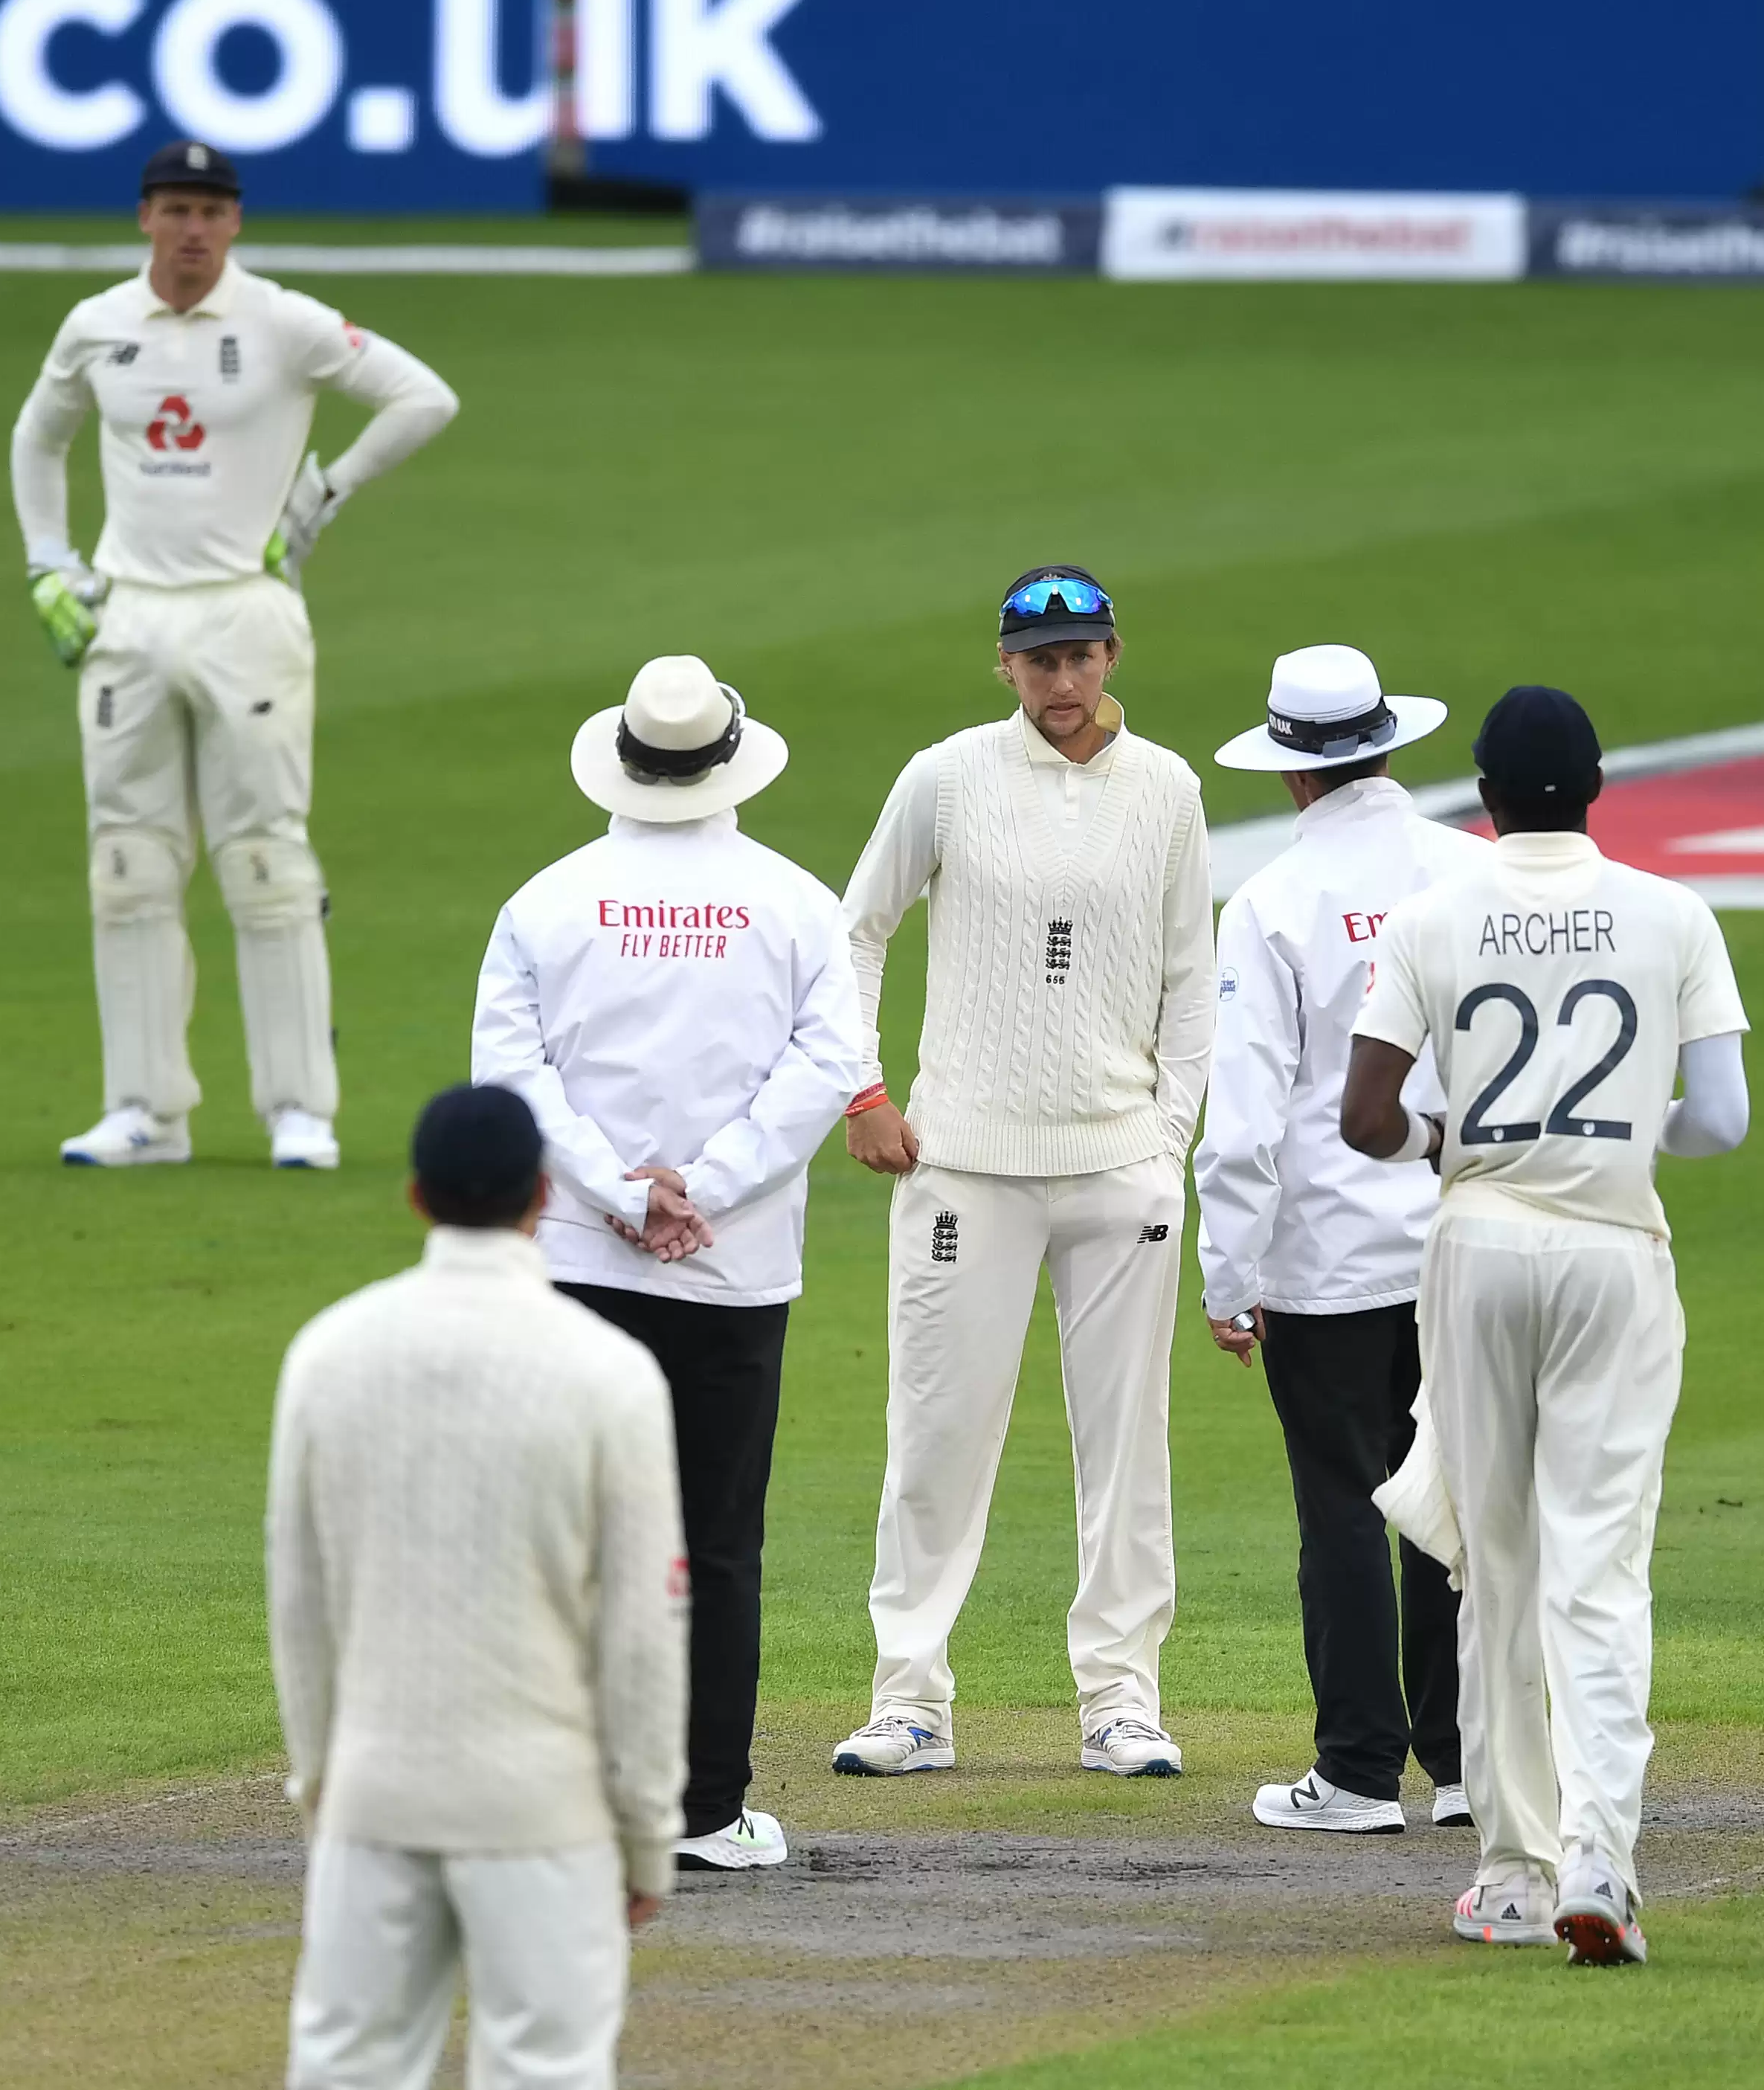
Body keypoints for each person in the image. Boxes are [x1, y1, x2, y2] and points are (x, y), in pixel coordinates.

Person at [1339, 685, 1751, 1968]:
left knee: (1494, 1567)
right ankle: (1601, 1861)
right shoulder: (1673, 913)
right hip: (1611, 1258)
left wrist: (1442, 1140)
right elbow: (1722, 1120)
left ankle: (1511, 1874)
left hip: (1477, 1247)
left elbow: (1364, 1116)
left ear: (1485, 791)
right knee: (1599, 1571)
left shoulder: (1431, 912)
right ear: (1598, 785)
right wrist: (1631, 1134)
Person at [472, 654, 869, 1874]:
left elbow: (511, 1079)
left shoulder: (546, 901)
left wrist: (616, 1189)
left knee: (573, 1530)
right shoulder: (796, 901)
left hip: (580, 1264)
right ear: (729, 760)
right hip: (732, 1269)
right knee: (718, 1538)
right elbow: (827, 1066)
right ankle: (703, 1806)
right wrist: (711, 1185)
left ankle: (567, 1795)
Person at [828, 567, 1215, 1782]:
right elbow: (857, 928)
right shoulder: (944, 776)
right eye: (1039, 660)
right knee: (937, 1428)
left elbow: (1193, 977)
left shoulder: (1168, 789)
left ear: (1113, 657)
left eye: (1082, 656)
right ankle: (910, 1696)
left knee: (1127, 1440)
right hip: (966, 1163)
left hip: (1119, 1169)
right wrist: (866, 1091)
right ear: (1003, 664)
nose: (1062, 682)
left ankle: (1121, 1697)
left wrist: (1167, 1143)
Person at [10, 139, 461, 1172]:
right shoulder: (97, 326)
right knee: (128, 863)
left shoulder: (284, 322)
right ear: (144, 219)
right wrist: (48, 564)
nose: (193, 230)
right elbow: (38, 439)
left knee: (265, 861)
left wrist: (319, 495)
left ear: (237, 223)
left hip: (246, 617)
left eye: (211, 211)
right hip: (125, 614)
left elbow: (423, 396)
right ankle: (145, 1110)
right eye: (174, 209)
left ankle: (299, 1110)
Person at [265, 1082, 687, 2090]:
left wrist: (325, 1783)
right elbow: (642, 1634)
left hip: (376, 1797)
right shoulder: (611, 1372)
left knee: (347, 2070)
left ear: (416, 1196)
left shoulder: (327, 1354)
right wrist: (648, 1837)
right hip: (542, 1813)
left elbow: (299, 1598)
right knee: (548, 2071)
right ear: (544, 1194)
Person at [1196, 645, 1487, 1836]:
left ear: (1293, 774)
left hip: (1325, 1262)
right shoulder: (1472, 871)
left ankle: (1360, 1771)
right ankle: (1471, 1764)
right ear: (1383, 746)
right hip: (1466, 1237)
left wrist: (1228, 1273)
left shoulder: (1273, 900)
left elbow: (1248, 1118)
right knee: (1457, 1506)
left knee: (1343, 1506)